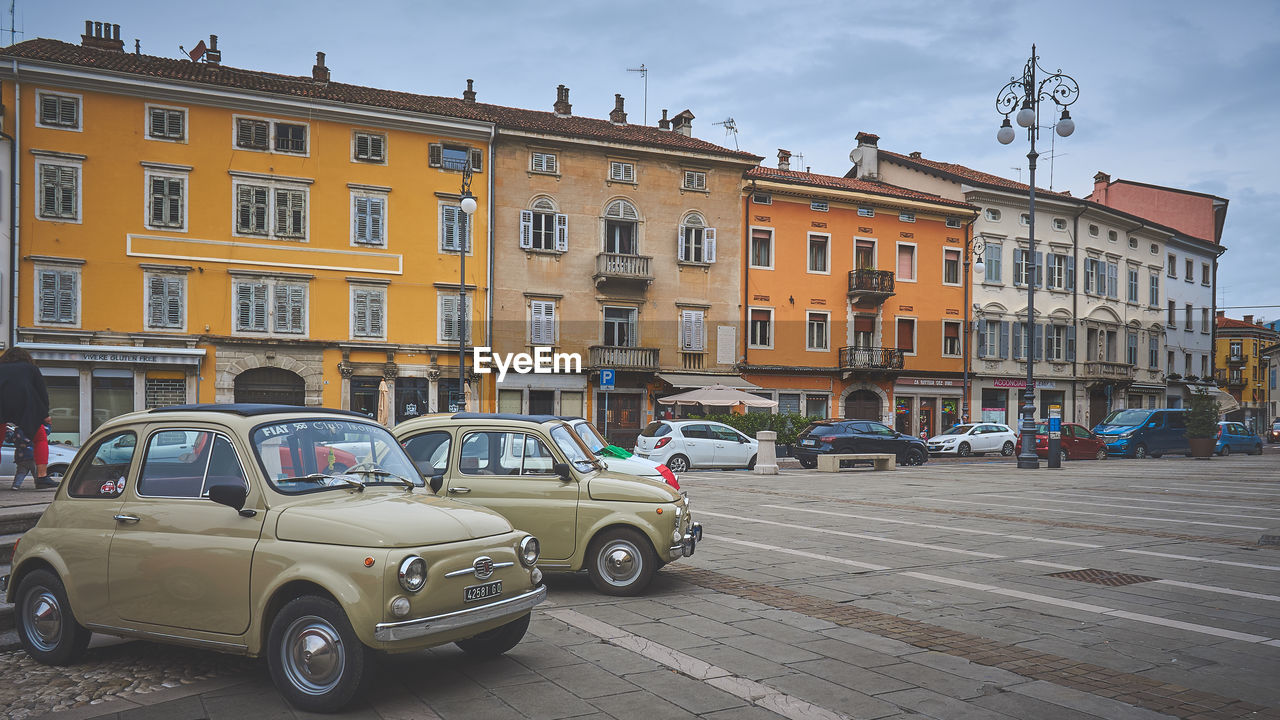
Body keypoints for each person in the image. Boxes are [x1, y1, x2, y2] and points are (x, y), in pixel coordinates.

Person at [0, 347, 56, 489]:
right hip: (26, 405)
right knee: (40, 439)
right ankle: (42, 477)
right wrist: (45, 414)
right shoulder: (31, 369)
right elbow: (41, 392)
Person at [6, 424, 36, 490]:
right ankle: (39, 483)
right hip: (31, 455)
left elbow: (9, 439)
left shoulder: (15, 433)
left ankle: (16, 485)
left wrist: (8, 431)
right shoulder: (30, 431)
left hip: (20, 456)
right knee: (36, 471)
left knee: (21, 472)